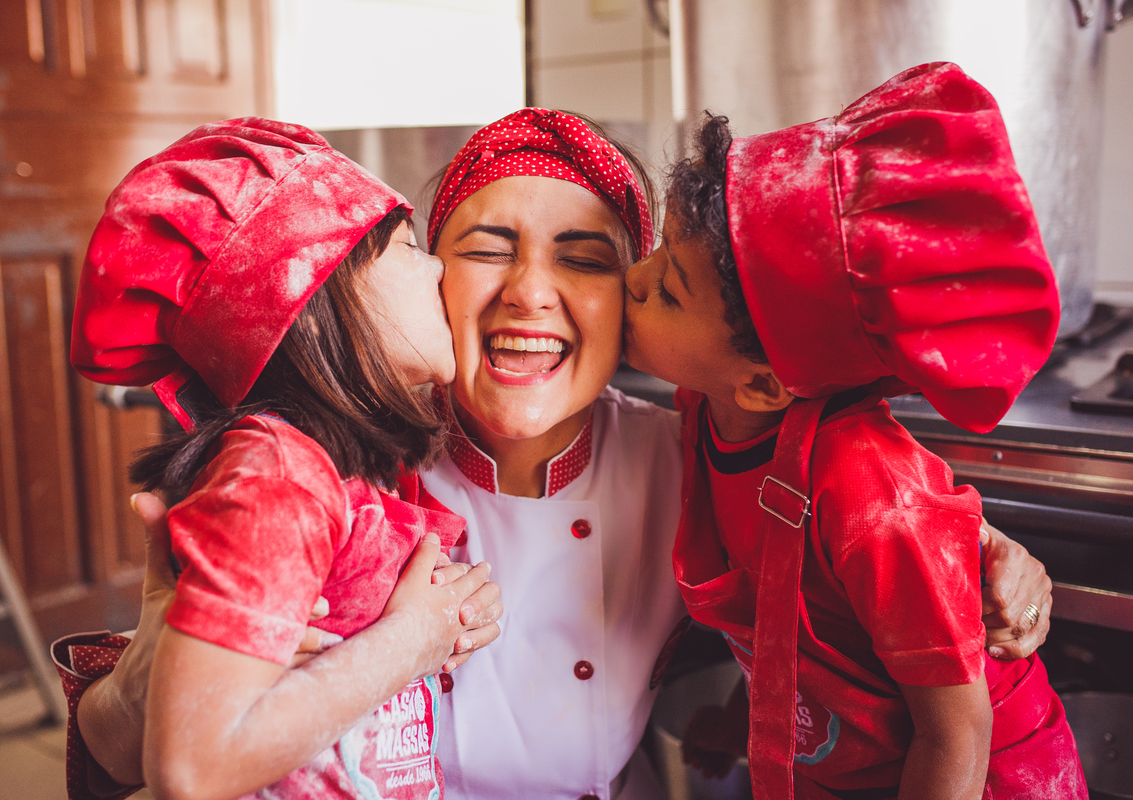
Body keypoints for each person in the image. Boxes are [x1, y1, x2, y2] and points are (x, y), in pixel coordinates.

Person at [60, 108, 1056, 800]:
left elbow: (850, 489)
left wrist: (990, 549)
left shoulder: (686, 458)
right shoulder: (341, 463)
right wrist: (129, 698)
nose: (532, 292)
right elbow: (131, 762)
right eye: (488, 246)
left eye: (585, 258)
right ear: (414, 278)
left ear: (633, 305)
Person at [623, 64, 1086, 800]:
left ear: (766, 383)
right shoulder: (708, 413)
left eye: (668, 291)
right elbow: (804, 620)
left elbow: (956, 732)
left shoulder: (872, 499)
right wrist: (751, 714)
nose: (632, 281)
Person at [65, 117, 503, 800]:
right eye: (409, 247)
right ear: (315, 296)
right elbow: (193, 767)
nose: (440, 268)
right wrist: (410, 642)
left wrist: (438, 628)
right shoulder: (276, 474)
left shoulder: (344, 474)